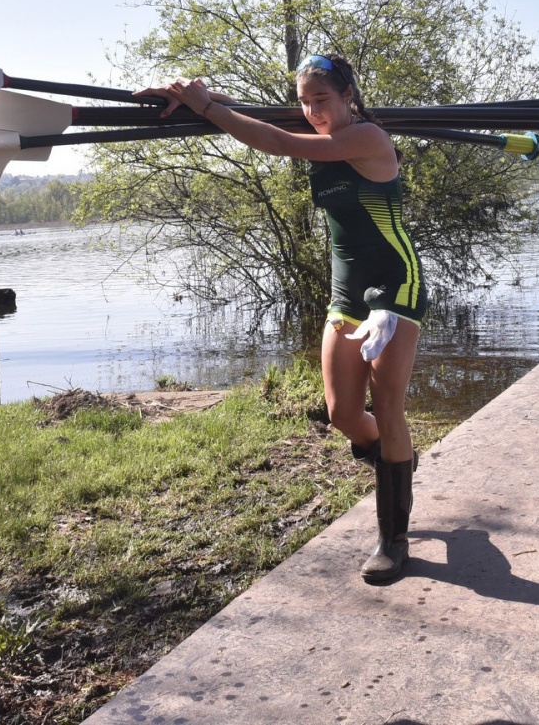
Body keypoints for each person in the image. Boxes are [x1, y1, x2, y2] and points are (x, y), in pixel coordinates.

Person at [139, 54, 426, 585]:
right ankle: (398, 462)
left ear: (348, 96)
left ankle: (394, 537)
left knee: (388, 406)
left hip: (394, 284)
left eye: (322, 100)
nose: (311, 110)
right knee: (342, 413)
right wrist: (195, 98)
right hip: (346, 292)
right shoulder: (313, 126)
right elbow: (255, 118)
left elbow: (281, 143)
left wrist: (205, 104)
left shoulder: (368, 138)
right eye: (303, 101)